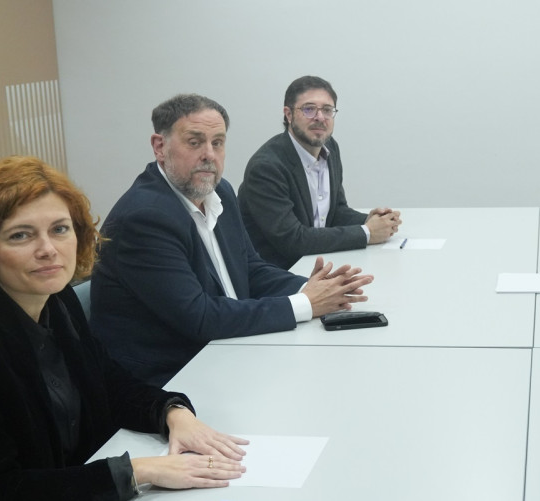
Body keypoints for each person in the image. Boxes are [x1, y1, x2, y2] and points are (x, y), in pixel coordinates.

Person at [0, 156, 249, 499]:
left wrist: (173, 413)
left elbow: (110, 384)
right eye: (20, 235)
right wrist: (138, 471)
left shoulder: (58, 304)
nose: (48, 250)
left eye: (59, 229)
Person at [91, 94, 374, 386]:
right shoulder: (145, 218)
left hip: (226, 352)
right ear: (159, 147)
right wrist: (305, 303)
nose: (209, 155)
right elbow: (199, 317)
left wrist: (315, 289)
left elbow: (250, 268)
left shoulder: (220, 192)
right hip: (170, 380)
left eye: (218, 142)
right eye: (194, 142)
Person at [239, 75, 402, 269]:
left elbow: (335, 213)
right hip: (280, 275)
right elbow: (293, 240)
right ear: (288, 114)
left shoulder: (330, 148)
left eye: (327, 110)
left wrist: (372, 220)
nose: (320, 117)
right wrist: (366, 232)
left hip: (316, 263)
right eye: (309, 109)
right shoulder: (266, 168)